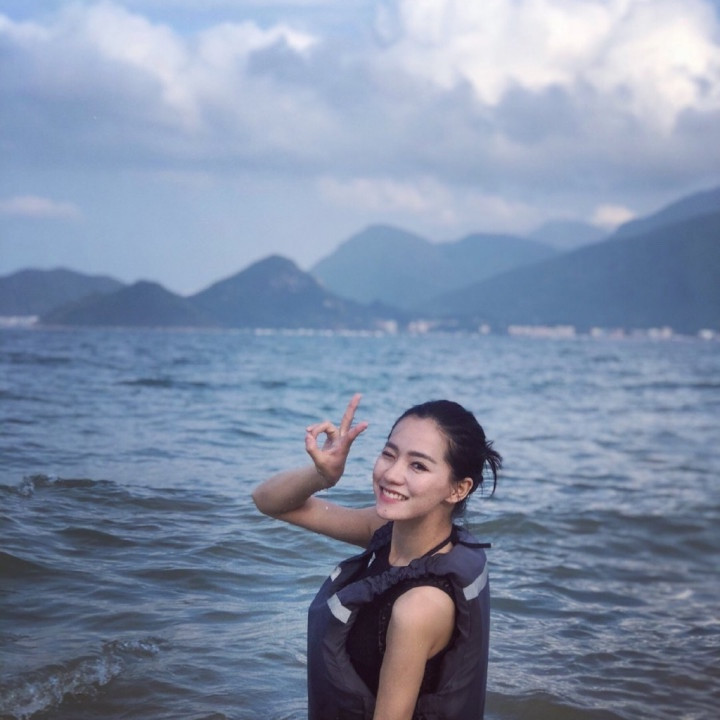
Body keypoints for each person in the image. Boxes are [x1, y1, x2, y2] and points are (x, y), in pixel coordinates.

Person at [251, 394, 501, 720]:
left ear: (458, 489)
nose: (392, 474)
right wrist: (322, 476)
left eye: (418, 465)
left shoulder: (419, 607)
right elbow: (268, 501)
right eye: (389, 454)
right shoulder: (387, 531)